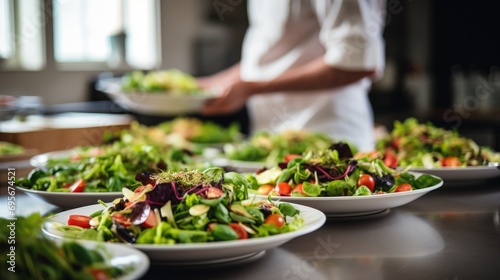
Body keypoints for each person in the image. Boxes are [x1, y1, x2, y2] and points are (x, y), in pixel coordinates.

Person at [198, 0, 386, 152]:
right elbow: (269, 60)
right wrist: (203, 87)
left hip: (330, 140)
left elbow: (357, 62)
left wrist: (251, 88)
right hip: (271, 144)